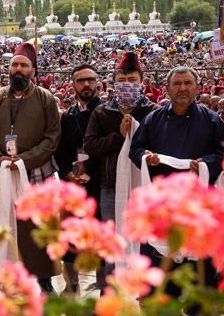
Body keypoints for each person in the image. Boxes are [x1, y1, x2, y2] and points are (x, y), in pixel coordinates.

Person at [129, 66, 224, 305]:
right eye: (177, 83)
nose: (183, 88)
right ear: (168, 88)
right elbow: (135, 149)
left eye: (187, 83)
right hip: (161, 209)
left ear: (197, 87)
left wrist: (206, 163)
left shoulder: (211, 120)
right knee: (158, 286)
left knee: (199, 283)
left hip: (197, 210)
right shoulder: (153, 119)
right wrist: (146, 158)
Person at [0, 42, 61, 294]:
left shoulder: (45, 98)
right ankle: (2, 275)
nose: (18, 69)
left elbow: (52, 137)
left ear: (32, 71)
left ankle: (43, 277)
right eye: (14, 64)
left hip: (34, 171)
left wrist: (26, 160)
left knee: (36, 225)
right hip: (2, 171)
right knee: (2, 221)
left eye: (23, 65)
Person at [84, 52, 157, 278]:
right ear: (114, 83)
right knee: (112, 243)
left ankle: (145, 293)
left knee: (145, 241)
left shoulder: (153, 111)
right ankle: (110, 295)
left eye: (132, 80)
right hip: (111, 185)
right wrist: (119, 135)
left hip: (144, 187)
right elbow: (91, 146)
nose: (127, 85)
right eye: (122, 81)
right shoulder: (102, 111)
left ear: (141, 82)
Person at [54, 64, 104, 294]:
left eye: (90, 80)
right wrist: (68, 174)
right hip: (73, 184)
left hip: (99, 183)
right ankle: (71, 285)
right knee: (70, 240)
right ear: (73, 85)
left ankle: (104, 287)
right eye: (81, 81)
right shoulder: (69, 115)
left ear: (97, 82)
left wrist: (89, 170)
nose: (86, 84)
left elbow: (110, 149)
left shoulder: (107, 111)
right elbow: (61, 150)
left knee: (101, 239)